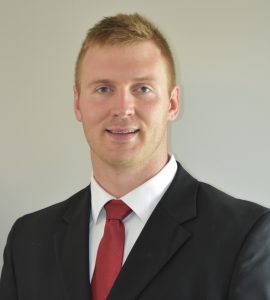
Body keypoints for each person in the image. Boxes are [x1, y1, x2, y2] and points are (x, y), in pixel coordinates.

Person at [0, 13, 270, 300]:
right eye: (104, 89)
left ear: (173, 103)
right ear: (78, 104)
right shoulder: (29, 240)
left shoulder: (243, 236)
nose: (122, 108)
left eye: (142, 88)